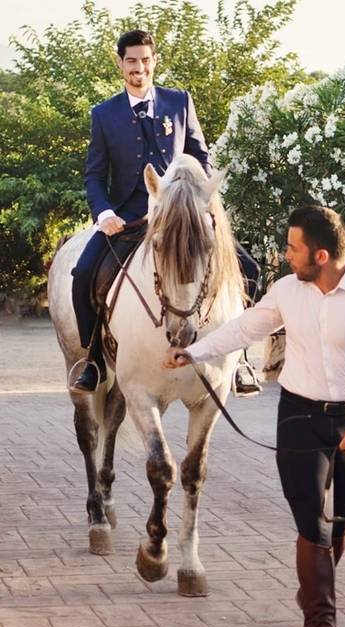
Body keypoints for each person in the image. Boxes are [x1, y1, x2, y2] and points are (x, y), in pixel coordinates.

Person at [164, 205, 345, 627]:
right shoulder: (286, 291)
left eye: (292, 248)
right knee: (310, 521)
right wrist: (195, 351)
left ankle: (314, 588)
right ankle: (321, 619)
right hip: (299, 416)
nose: (285, 255)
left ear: (321, 256)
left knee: (341, 518)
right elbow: (245, 328)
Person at [72, 29, 261, 393]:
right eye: (131, 61)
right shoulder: (103, 114)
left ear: (155, 60)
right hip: (126, 219)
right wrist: (104, 213)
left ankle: (241, 362)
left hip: (180, 215)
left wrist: (203, 198)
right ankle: (94, 360)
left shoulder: (180, 101)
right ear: (120, 63)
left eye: (145, 60)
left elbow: (201, 156)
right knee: (82, 276)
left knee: (248, 269)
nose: (138, 67)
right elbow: (94, 175)